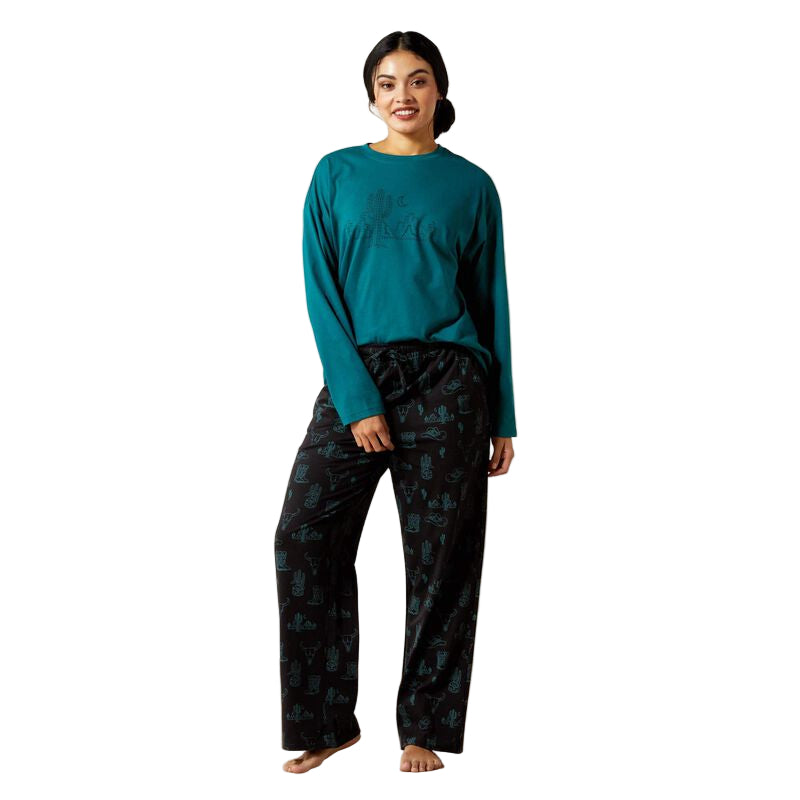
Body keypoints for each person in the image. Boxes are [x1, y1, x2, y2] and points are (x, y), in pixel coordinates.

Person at [275, 30, 517, 774]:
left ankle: (425, 727)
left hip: (451, 381)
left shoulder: (471, 185)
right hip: (362, 374)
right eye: (387, 83)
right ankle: (326, 720)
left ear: (440, 90)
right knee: (303, 536)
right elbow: (321, 291)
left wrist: (503, 416)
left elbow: (492, 302)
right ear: (371, 95)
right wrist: (356, 400)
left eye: (416, 80)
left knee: (443, 558)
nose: (402, 95)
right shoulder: (336, 174)